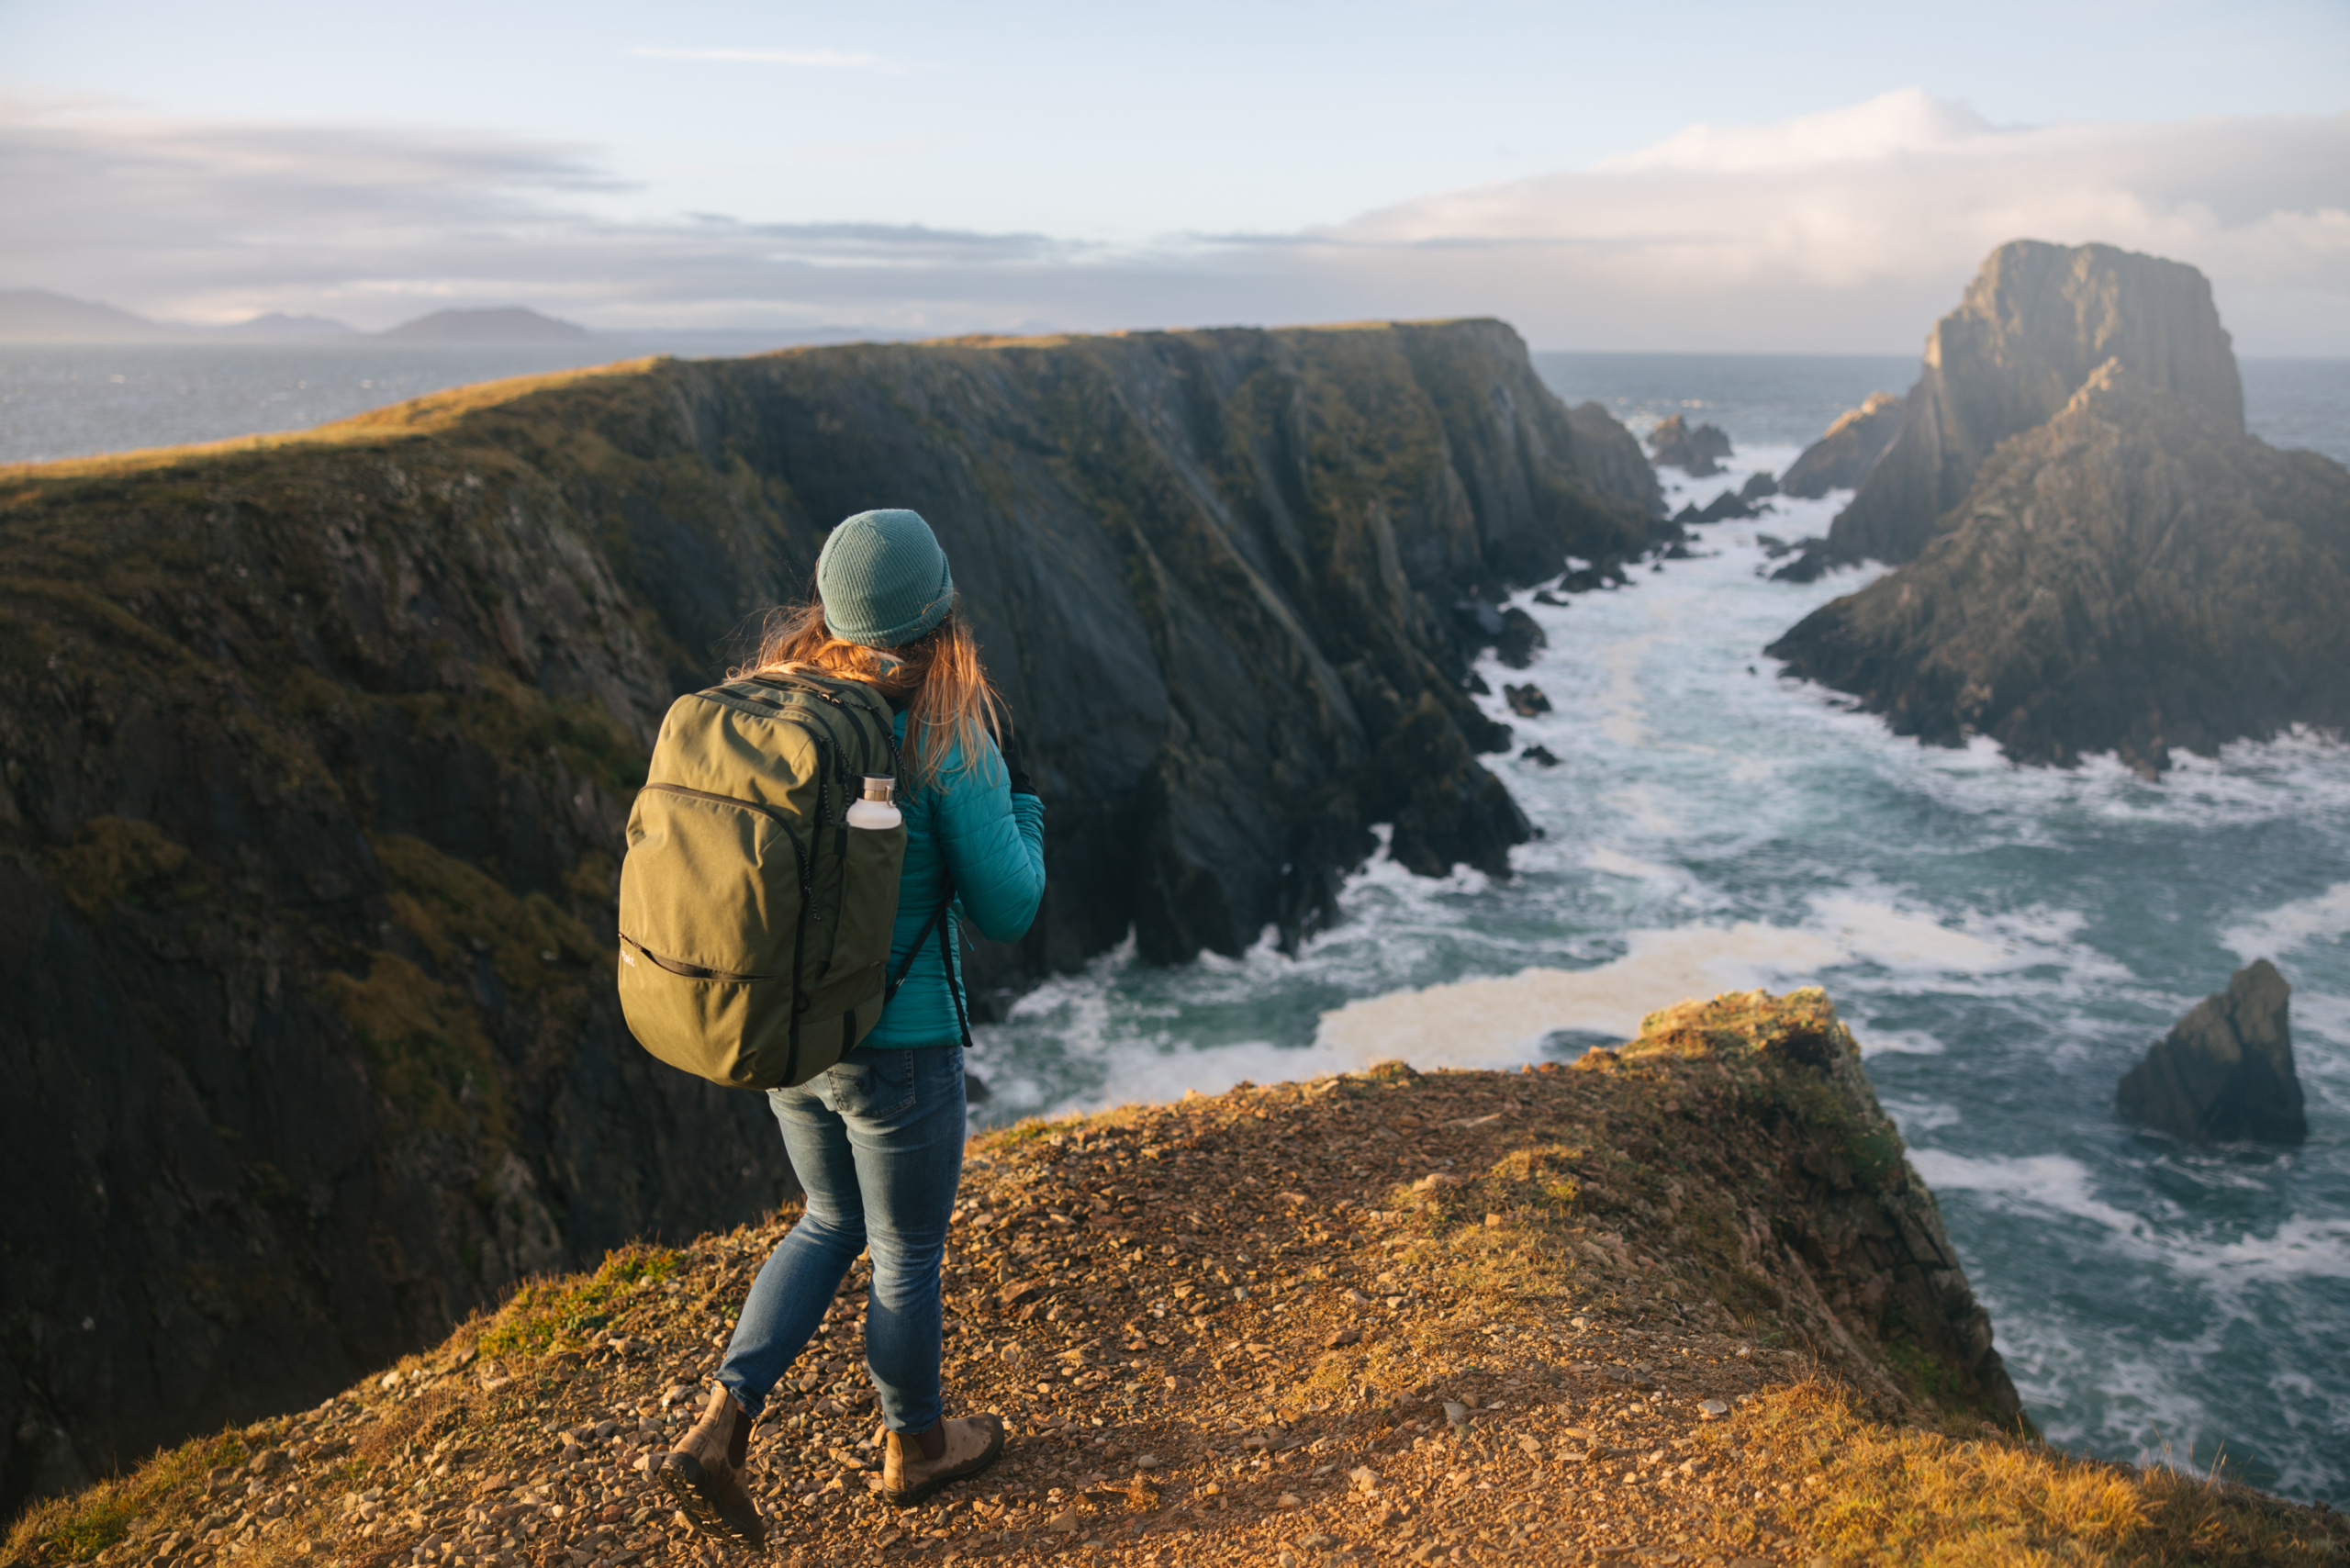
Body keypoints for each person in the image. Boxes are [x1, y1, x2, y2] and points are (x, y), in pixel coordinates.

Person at [657, 509, 1046, 1544]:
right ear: (938, 611)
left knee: (827, 1221)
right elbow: (1007, 904)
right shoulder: (942, 728)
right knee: (905, 1248)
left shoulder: (788, 697)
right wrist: (1030, 812)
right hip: (901, 1048)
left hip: (797, 1030)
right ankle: (915, 1443)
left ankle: (722, 1419)